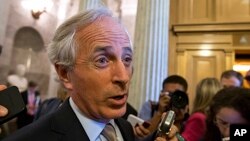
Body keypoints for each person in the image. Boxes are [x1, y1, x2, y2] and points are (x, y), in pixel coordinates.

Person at [3, 7, 180, 141]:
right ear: (65, 74)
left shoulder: (125, 128)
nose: (124, 77)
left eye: (126, 59)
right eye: (102, 60)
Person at [135, 75, 189, 140]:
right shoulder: (150, 107)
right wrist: (159, 112)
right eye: (170, 94)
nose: (174, 98)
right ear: (161, 93)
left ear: (185, 96)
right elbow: (142, 136)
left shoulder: (189, 116)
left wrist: (180, 119)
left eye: (178, 95)